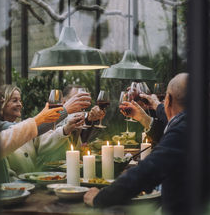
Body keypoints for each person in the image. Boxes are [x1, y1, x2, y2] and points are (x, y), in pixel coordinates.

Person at [84, 73, 197, 214]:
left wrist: (99, 198)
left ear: (168, 99)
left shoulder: (185, 130)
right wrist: (143, 116)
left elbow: (146, 172)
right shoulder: (196, 123)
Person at [120, 75, 210, 146]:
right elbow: (170, 133)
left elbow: (179, 137)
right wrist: (141, 116)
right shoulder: (207, 117)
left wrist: (157, 105)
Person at [0, 84, 86, 175]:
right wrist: (64, 110)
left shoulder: (23, 125)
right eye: (14, 100)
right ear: (2, 103)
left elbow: (44, 144)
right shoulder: (0, 133)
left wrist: (66, 129)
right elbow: (7, 177)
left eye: (20, 100)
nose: (19, 104)